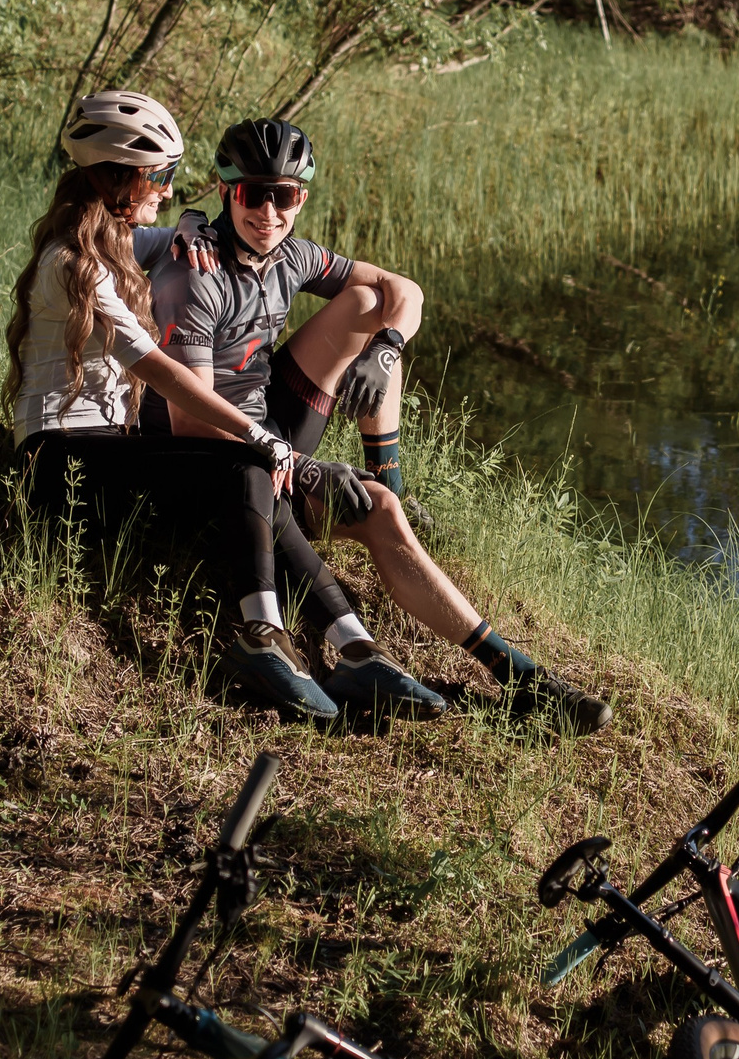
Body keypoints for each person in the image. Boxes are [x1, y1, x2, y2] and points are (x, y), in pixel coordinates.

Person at [142, 118, 614, 732]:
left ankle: (521, 679)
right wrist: (305, 468)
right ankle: (482, 658)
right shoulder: (193, 273)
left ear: (301, 198)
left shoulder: (293, 257)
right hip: (214, 466)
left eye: (283, 195)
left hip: (271, 437)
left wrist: (387, 348)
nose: (267, 210)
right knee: (379, 514)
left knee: (370, 305)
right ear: (227, 192)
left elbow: (405, 289)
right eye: (253, 193)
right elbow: (192, 424)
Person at [5, 90, 349, 722]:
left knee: (246, 472)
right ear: (118, 180)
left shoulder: (118, 241)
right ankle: (261, 636)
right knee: (242, 459)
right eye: (157, 177)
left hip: (106, 451)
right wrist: (265, 436)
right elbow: (160, 371)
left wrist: (192, 222)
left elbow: (195, 229)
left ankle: (348, 641)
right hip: (57, 462)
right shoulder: (75, 264)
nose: (166, 189)